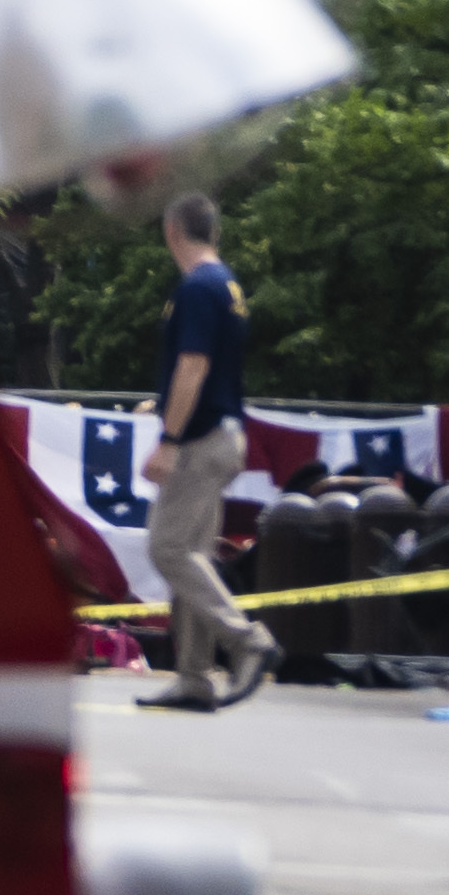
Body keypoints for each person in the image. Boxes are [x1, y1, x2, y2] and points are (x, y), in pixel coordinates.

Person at [143, 194, 276, 710]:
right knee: (193, 556)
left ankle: (247, 640)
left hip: (199, 442)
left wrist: (169, 441)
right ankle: (195, 678)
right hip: (223, 433)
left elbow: (193, 366)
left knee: (168, 549)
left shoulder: (197, 287)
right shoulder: (226, 284)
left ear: (173, 230)